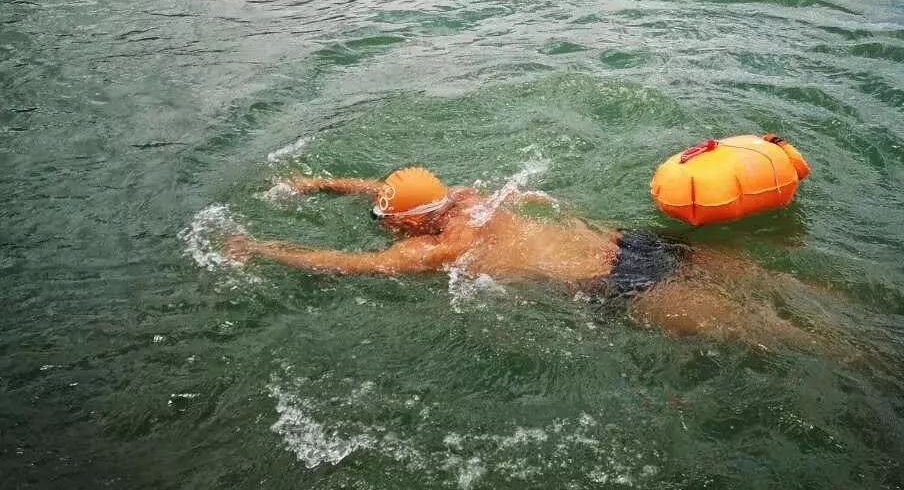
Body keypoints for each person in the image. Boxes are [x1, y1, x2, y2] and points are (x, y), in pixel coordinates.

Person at [224, 165, 838, 350]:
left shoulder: (440, 248)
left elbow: (347, 264)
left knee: (773, 337)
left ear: (406, 223)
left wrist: (263, 249)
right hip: (631, 244)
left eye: (387, 224)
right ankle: (856, 325)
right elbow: (390, 191)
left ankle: (853, 356)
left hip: (618, 284)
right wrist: (327, 185)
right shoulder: (466, 200)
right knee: (785, 289)